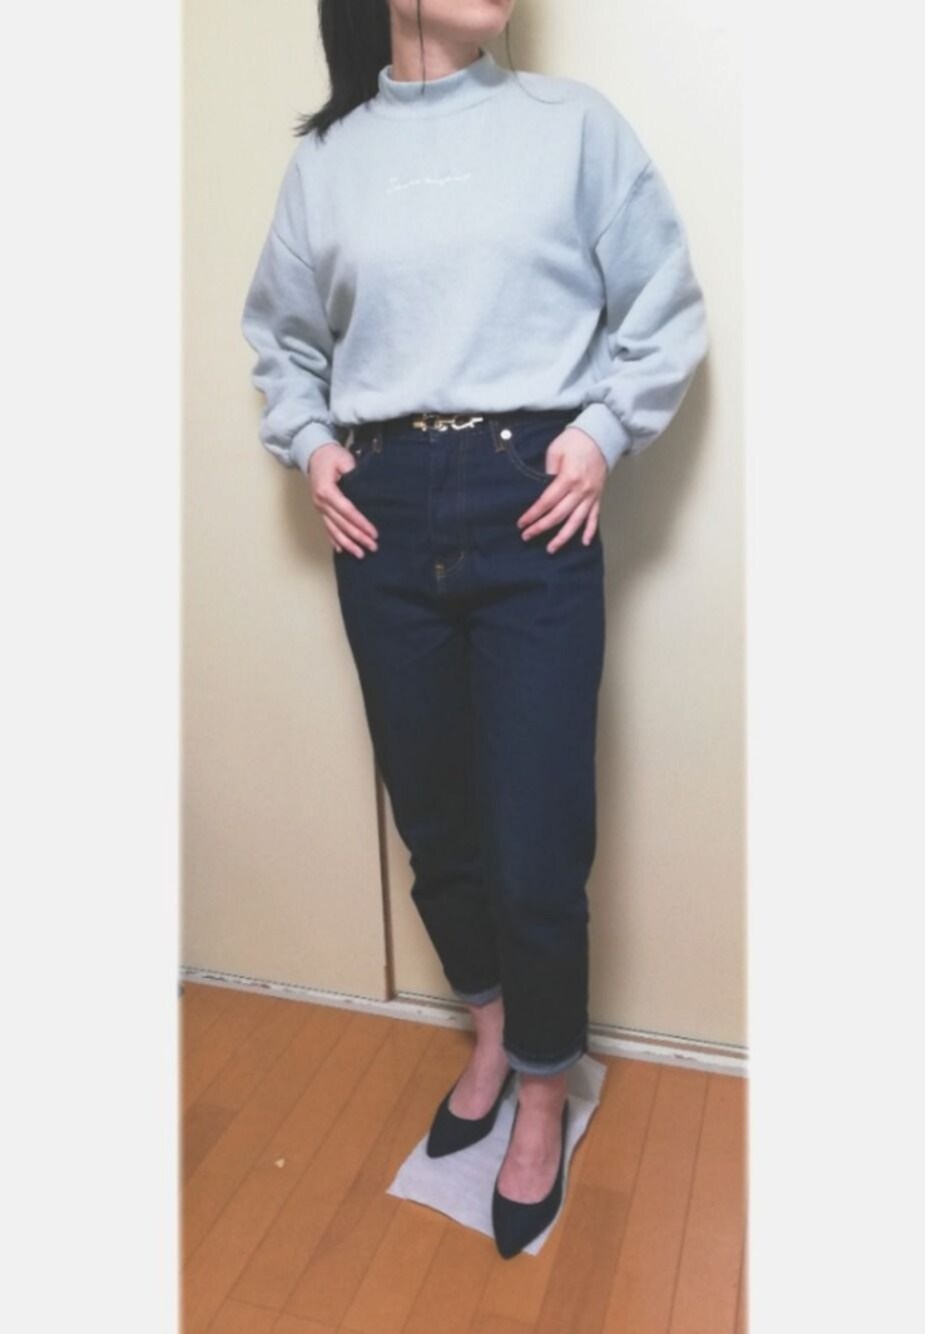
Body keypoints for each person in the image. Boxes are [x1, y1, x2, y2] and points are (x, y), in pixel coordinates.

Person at [240, 0, 708, 1257]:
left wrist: (599, 434)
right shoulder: (328, 161)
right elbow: (280, 338)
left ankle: (544, 1085)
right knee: (435, 814)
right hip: (383, 513)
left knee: (536, 829)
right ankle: (493, 1027)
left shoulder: (572, 128)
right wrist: (313, 443)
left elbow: (663, 306)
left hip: (530, 500)